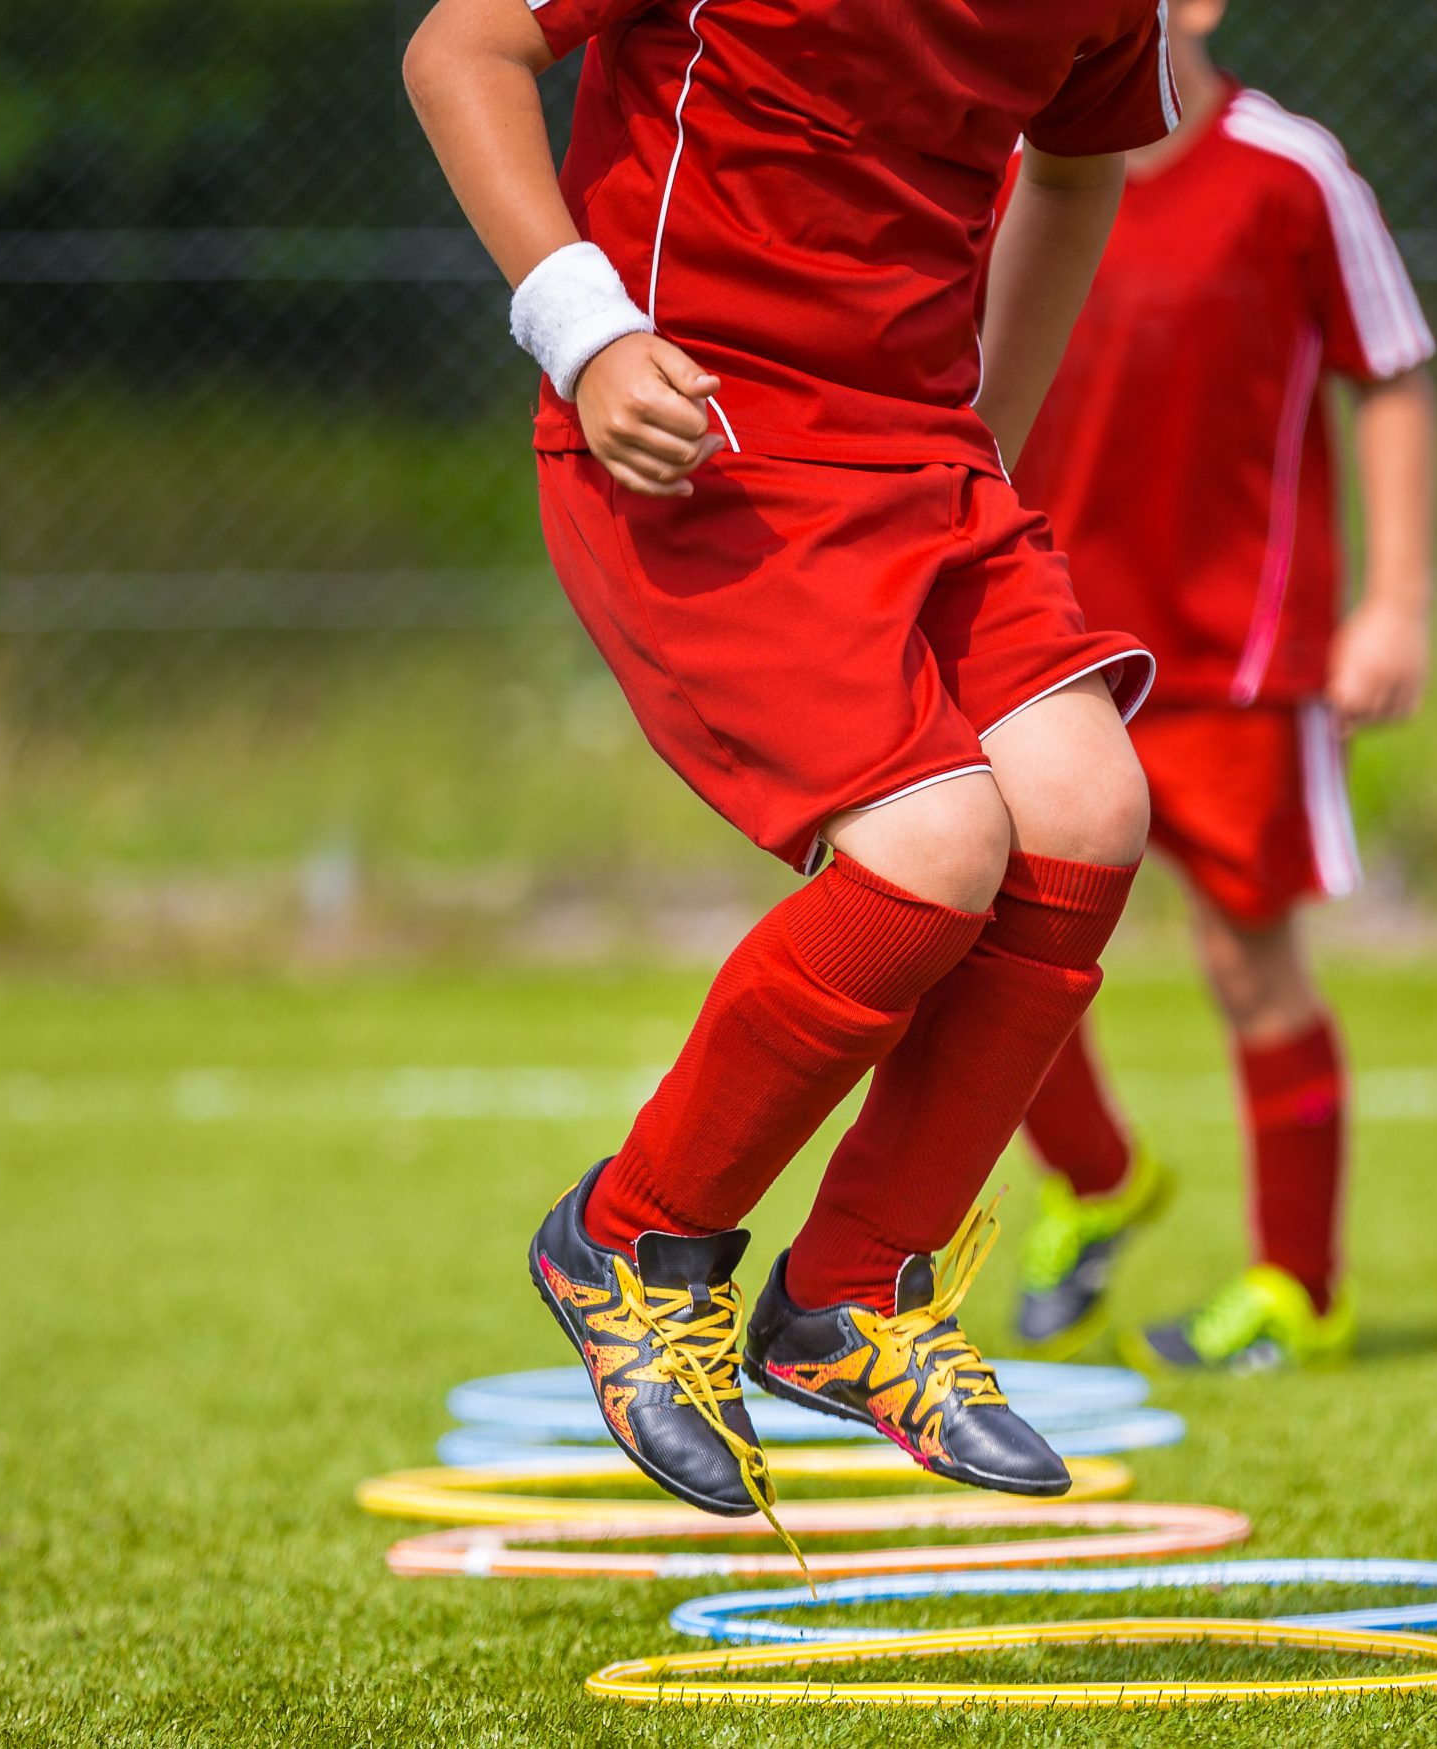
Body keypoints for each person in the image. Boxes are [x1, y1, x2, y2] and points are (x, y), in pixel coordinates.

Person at [402, 0, 1177, 1519]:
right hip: (699, 438)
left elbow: (1082, 170)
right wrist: (589, 334)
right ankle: (630, 1240)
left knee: (1090, 805)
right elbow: (459, 51)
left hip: (922, 456)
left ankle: (852, 1294)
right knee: (939, 844)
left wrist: (984, 437)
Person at [998, 0, 1437, 1374]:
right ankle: (1096, 1172)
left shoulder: (1291, 170)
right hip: (1041, 644)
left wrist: (1395, 603)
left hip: (1239, 667)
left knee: (1248, 961)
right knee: (970, 928)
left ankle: (1299, 1288)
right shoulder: (999, 171)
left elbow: (1395, 374)